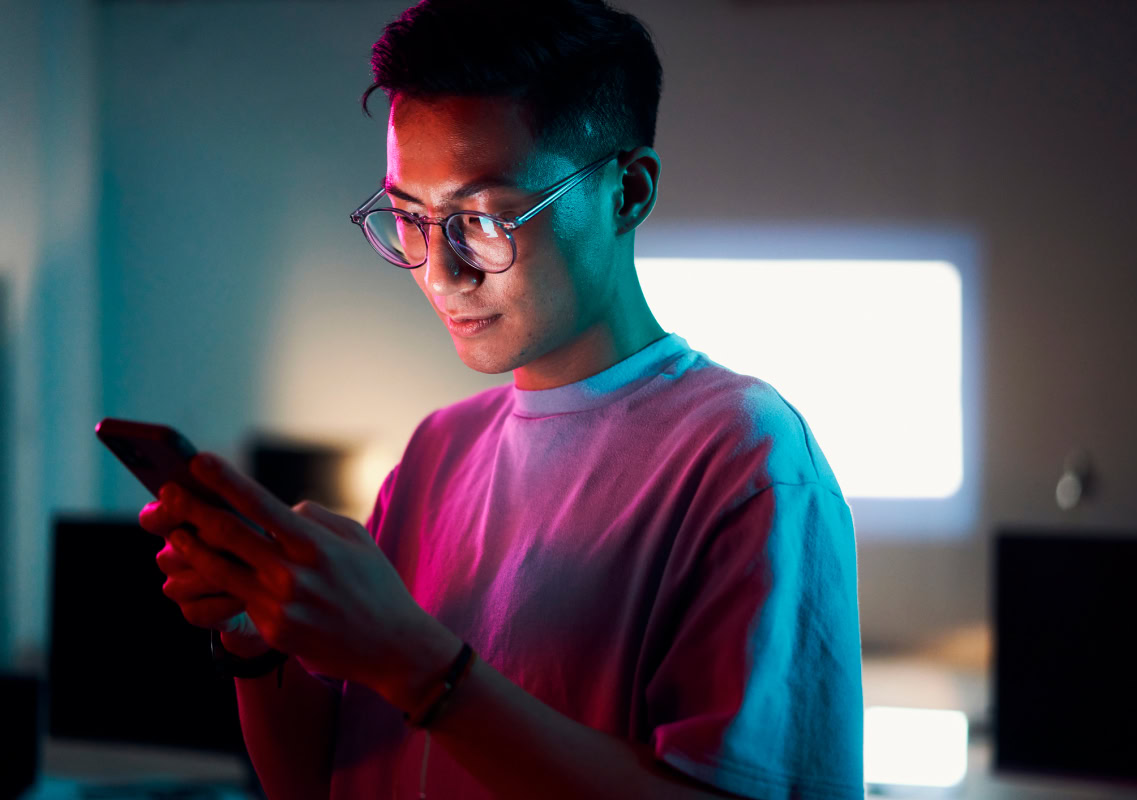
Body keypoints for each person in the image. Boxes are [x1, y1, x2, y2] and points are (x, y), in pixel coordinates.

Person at [139, 1, 864, 798]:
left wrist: (413, 661)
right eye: (411, 218)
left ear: (627, 191)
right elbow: (316, 782)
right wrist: (256, 630)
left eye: (483, 218)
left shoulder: (742, 459)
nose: (440, 273)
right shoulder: (436, 452)